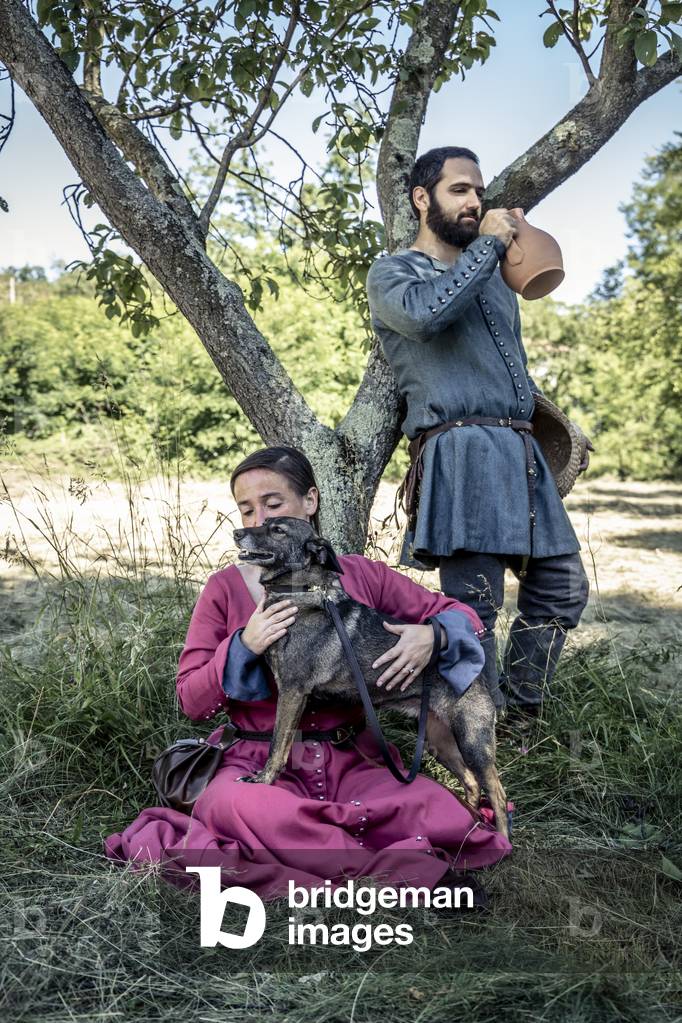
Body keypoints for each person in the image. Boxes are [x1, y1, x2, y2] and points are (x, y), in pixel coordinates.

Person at [104, 446, 512, 900]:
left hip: (356, 761)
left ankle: (338, 863)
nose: (257, 520)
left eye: (273, 505)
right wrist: (244, 645)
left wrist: (432, 636)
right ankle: (403, 874)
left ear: (311, 501)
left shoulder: (362, 575)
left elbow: (462, 614)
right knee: (252, 807)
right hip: (258, 765)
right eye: (246, 510)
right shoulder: (223, 590)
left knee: (431, 804)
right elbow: (191, 701)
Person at [366, 146, 590, 717]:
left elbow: (506, 368)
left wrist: (558, 425)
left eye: (479, 192)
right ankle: (480, 726)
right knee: (476, 605)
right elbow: (425, 318)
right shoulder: (395, 273)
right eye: (459, 190)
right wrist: (490, 243)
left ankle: (517, 714)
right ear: (422, 199)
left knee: (562, 586)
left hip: (519, 449)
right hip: (459, 451)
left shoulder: (493, 282)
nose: (474, 202)